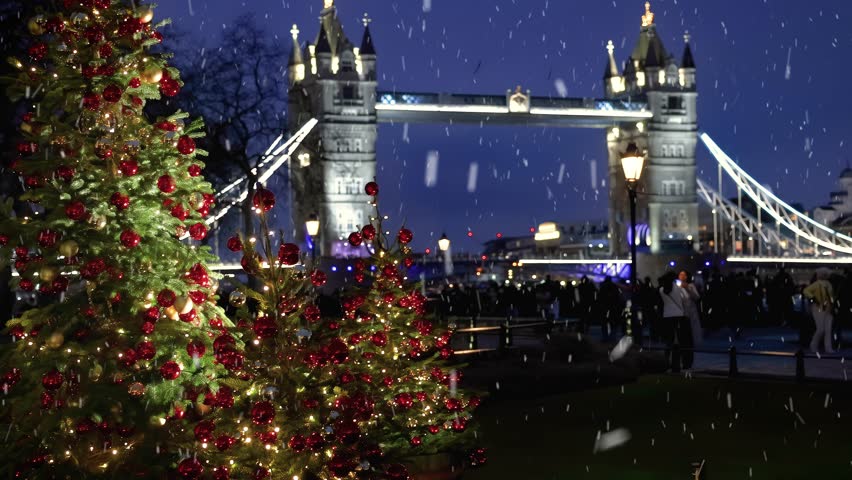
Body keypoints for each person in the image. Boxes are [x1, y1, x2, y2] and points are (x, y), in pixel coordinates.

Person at [658, 272, 694, 371]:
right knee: (682, 340)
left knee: (669, 340)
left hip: (667, 316)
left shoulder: (661, 290)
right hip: (679, 316)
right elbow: (686, 299)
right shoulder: (679, 289)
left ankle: (666, 362)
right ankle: (684, 363)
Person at [803, 271, 835, 354]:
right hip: (819, 308)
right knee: (821, 329)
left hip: (828, 308)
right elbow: (806, 291)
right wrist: (814, 299)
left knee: (828, 329)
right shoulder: (818, 284)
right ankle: (813, 345)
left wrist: (832, 304)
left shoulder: (828, 284)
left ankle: (828, 348)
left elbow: (831, 296)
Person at [678, 270, 703, 347]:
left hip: (691, 310)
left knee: (693, 327)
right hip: (681, 311)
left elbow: (697, 297)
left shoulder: (691, 286)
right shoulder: (676, 286)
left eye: (683, 275)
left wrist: (687, 288)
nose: (681, 276)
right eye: (680, 274)